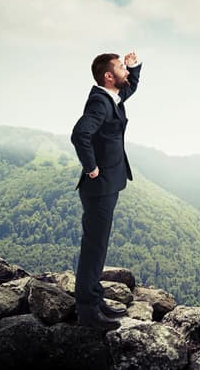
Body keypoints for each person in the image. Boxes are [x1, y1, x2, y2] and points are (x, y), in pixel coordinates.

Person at [70, 51, 141, 330]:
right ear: (108, 76)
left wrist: (134, 68)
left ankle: (95, 299)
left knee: (98, 247)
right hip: (99, 187)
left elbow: (130, 87)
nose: (126, 71)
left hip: (107, 185)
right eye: (122, 68)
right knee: (93, 247)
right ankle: (88, 311)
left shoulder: (113, 96)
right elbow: (80, 134)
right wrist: (91, 168)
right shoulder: (100, 102)